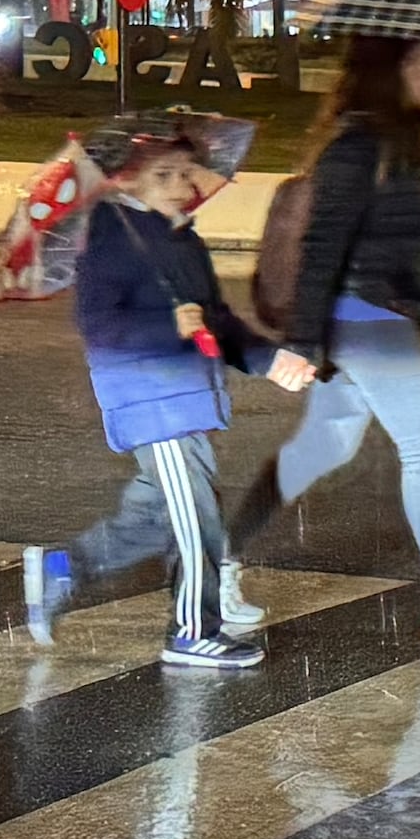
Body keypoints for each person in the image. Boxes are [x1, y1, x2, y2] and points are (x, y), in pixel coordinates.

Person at [253, 35, 420, 648]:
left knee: (325, 444)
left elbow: (402, 224)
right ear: (398, 69)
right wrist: (302, 340)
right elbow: (322, 246)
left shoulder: (395, 147)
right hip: (366, 318)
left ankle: (215, 560)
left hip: (378, 315)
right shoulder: (356, 150)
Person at [54, 117, 287, 674]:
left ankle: (65, 568)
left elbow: (219, 320)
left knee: (157, 515)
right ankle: (193, 632)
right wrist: (169, 328)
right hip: (149, 395)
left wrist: (271, 360)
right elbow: (100, 327)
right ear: (126, 181)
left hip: (189, 393)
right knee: (198, 518)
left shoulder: (181, 237)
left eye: (187, 172)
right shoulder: (108, 237)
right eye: (164, 174)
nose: (183, 184)